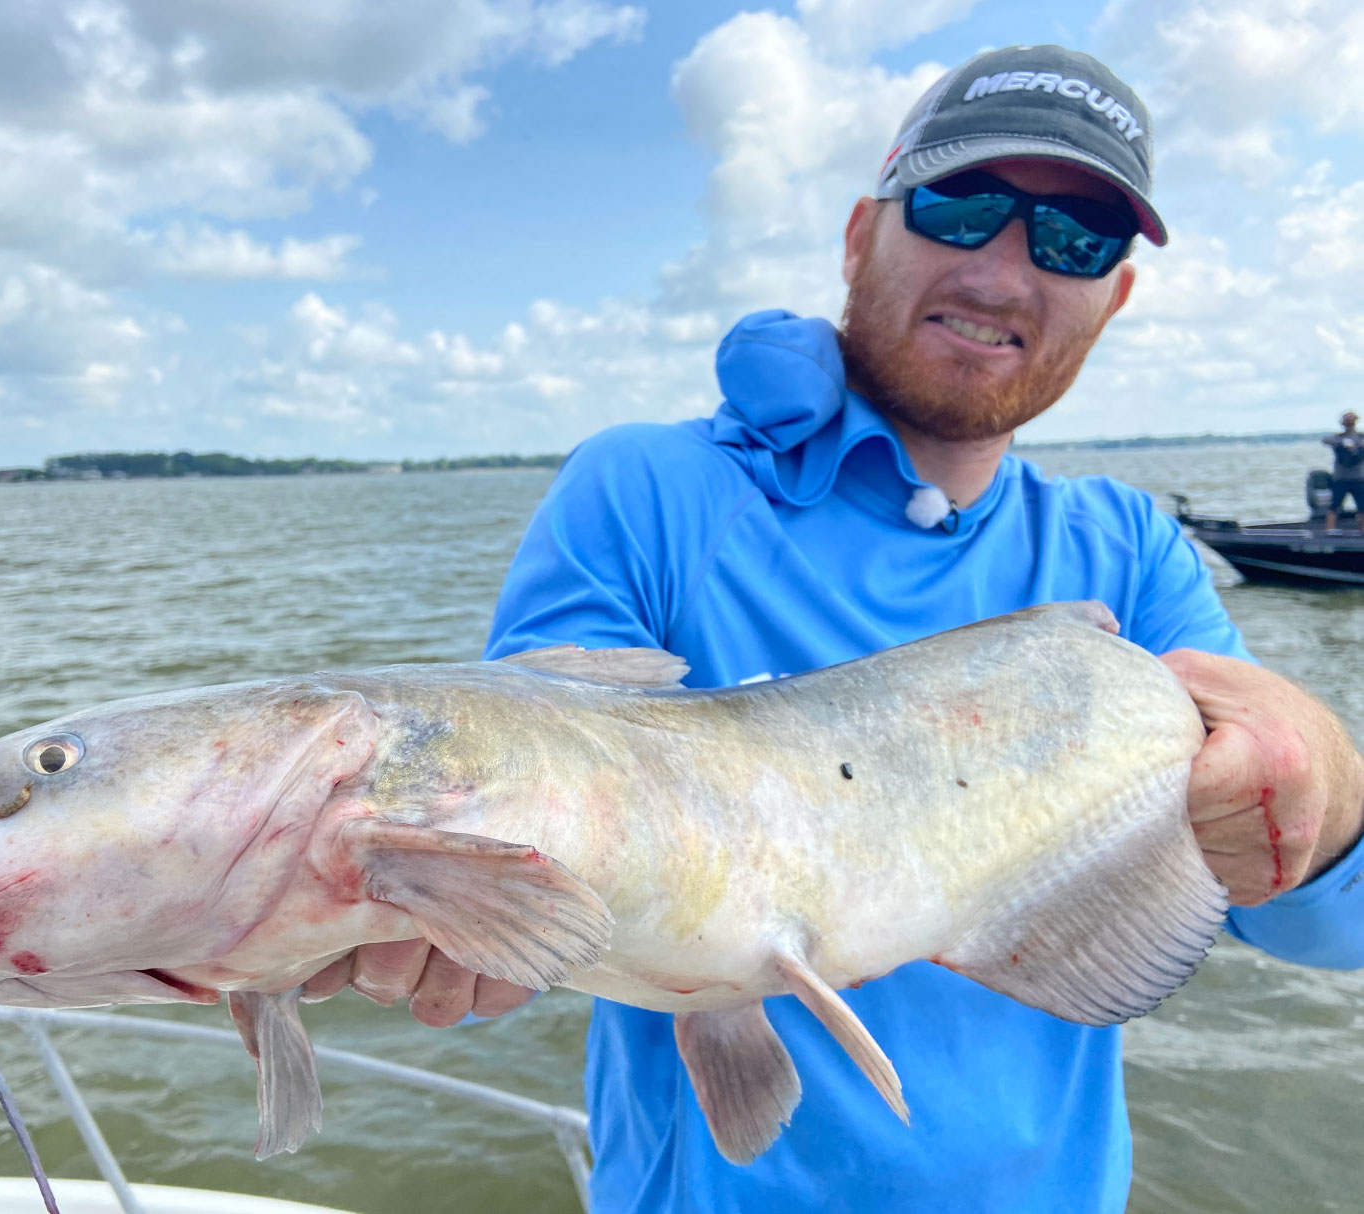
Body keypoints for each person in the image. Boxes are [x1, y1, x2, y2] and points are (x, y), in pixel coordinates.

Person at [305, 45, 1364, 1211]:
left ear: (1111, 296)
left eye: (1073, 239)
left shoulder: (1129, 556)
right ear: (859, 236)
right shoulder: (647, 494)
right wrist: (447, 913)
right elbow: (524, 795)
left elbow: (1327, 929)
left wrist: (1324, 781)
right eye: (962, 207)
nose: (1007, 273)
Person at [1323, 410, 1364, 532]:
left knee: (1362, 506)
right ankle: (1330, 529)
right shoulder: (1337, 438)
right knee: (1334, 505)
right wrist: (1343, 443)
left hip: (1358, 478)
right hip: (1340, 478)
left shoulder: (1361, 437)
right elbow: (1325, 440)